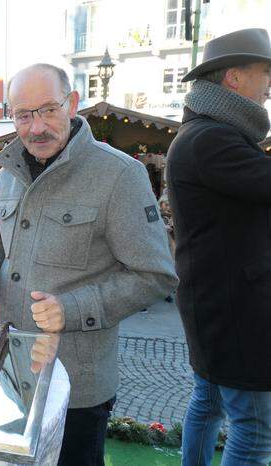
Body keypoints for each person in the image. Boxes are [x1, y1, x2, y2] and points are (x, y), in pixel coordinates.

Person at [0, 63, 177, 466]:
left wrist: (72, 308)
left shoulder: (120, 175)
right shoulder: (8, 173)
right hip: (9, 366)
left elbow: (156, 275)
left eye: (47, 110)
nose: (35, 127)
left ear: (73, 103)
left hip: (76, 383)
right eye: (23, 115)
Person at [165, 28, 271, 466]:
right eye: (265, 72)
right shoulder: (211, 138)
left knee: (207, 404)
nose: (269, 84)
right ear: (233, 78)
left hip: (214, 301)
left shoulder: (204, 134)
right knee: (255, 430)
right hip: (235, 307)